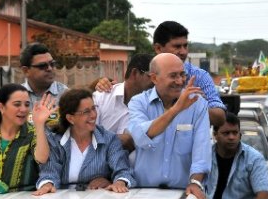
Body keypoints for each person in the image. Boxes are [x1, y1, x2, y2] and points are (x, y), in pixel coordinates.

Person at [95, 21, 226, 127]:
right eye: (177, 46)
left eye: (185, 46)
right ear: (158, 48)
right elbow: (127, 90)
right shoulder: (147, 73)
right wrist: (101, 83)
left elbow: (220, 118)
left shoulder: (199, 76)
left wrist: (192, 104)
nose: (183, 52)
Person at [128, 53, 211, 199]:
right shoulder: (138, 103)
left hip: (184, 197)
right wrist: (177, 109)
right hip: (142, 195)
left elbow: (202, 150)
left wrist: (195, 182)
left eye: (182, 75)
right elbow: (141, 137)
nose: (180, 81)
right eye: (173, 76)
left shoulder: (197, 104)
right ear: (154, 78)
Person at [33, 88, 136, 195]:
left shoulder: (109, 139)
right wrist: (47, 185)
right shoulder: (56, 141)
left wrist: (119, 182)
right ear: (70, 118)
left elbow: (123, 170)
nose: (93, 115)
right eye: (86, 111)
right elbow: (49, 173)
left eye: (93, 108)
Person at [207, 112, 268, 199]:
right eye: (226, 133)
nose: (231, 137)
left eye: (235, 133)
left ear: (240, 135)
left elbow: (264, 195)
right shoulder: (205, 156)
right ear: (215, 135)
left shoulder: (254, 159)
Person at [93, 53, 154, 152]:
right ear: (135, 73)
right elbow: (85, 135)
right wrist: (119, 140)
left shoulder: (155, 106)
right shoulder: (101, 97)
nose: (155, 82)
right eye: (151, 76)